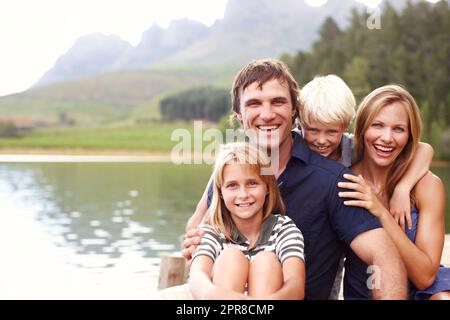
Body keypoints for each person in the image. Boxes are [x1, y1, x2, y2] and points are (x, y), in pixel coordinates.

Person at [184, 58, 407, 299]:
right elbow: (198, 243)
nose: (267, 114)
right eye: (254, 103)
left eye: (278, 102)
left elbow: (385, 256)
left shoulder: (334, 181)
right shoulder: (228, 175)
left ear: (294, 110)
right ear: (239, 114)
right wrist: (193, 242)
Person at [296, 75, 434, 299]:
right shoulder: (295, 152)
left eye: (331, 132)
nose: (322, 140)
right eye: (313, 130)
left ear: (345, 125)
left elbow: (423, 148)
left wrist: (402, 187)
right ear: (299, 124)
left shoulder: (353, 149)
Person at [338, 84, 450, 300]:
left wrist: (382, 210)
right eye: (377, 125)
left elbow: (425, 277)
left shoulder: (427, 186)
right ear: (362, 128)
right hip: (370, 291)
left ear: (409, 135)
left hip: (425, 290)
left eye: (398, 129)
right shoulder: (344, 183)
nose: (387, 138)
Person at [189, 142, 305, 299]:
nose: (243, 194)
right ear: (220, 192)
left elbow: (296, 285)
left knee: (266, 260)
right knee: (232, 258)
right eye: (232, 186)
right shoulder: (213, 231)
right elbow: (197, 278)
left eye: (252, 183)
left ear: (267, 187)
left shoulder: (283, 229)